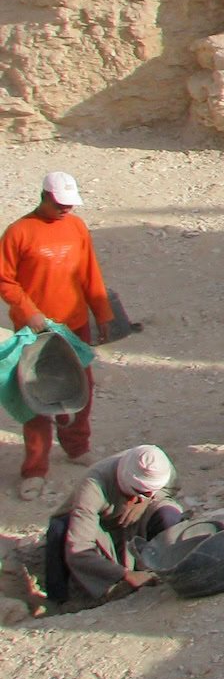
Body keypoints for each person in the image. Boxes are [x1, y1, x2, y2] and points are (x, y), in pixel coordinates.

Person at [2, 172, 113, 501]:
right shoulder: (19, 232)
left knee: (81, 388)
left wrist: (102, 312)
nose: (66, 209)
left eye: (70, 204)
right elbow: (5, 279)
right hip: (35, 332)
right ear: (44, 197)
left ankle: (77, 448)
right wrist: (28, 311)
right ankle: (35, 469)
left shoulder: (76, 227)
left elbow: (89, 272)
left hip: (74, 325)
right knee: (36, 398)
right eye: (60, 203)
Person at [39, 445, 180, 608]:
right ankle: (62, 601)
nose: (147, 495)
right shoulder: (93, 485)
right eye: (140, 491)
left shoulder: (159, 466)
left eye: (151, 490)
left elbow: (171, 488)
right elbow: (79, 549)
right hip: (100, 527)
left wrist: (145, 501)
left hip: (133, 522)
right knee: (59, 529)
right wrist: (126, 575)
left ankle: (164, 568)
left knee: (168, 513)